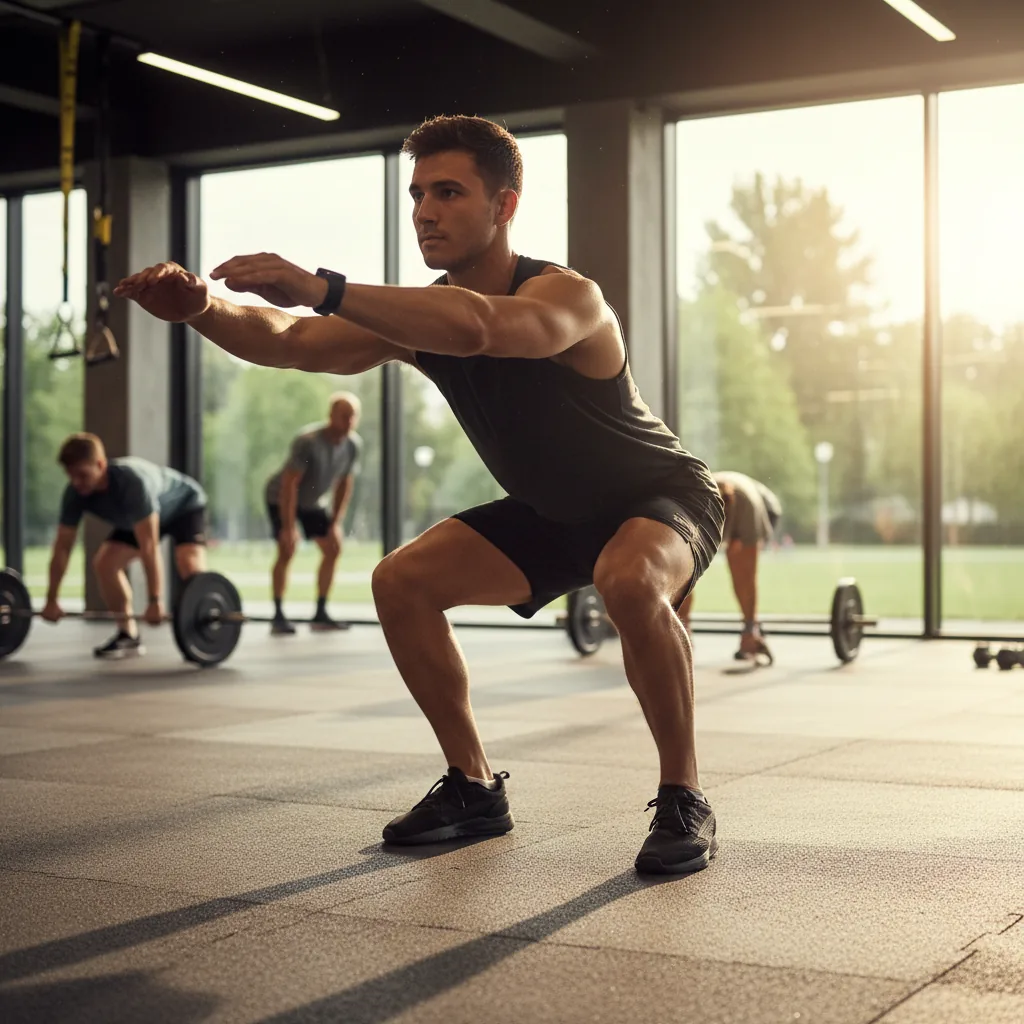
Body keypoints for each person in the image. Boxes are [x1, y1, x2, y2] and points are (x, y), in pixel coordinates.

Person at [114, 114, 725, 875]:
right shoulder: (415, 319)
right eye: (416, 195)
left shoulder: (568, 296)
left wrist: (323, 287)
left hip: (662, 494)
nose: (425, 212)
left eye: (448, 193)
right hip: (557, 514)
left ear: (504, 204)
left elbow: (480, 327)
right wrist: (204, 309)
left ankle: (683, 796)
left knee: (628, 579)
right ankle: (473, 787)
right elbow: (289, 341)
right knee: (401, 582)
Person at [44, 433, 208, 658]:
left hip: (183, 506)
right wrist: (51, 599)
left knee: (189, 565)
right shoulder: (75, 494)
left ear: (100, 464)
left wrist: (155, 600)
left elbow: (149, 547)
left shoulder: (131, 483)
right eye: (71, 475)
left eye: (82, 475)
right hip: (137, 520)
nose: (76, 482)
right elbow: (62, 548)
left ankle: (203, 627)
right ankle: (128, 634)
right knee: (105, 564)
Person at [265, 393, 363, 634]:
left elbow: (344, 483)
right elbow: (290, 485)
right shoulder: (307, 441)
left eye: (353, 416)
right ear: (331, 415)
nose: (349, 421)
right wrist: (289, 528)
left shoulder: (352, 445)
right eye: (344, 416)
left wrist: (335, 522)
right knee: (287, 548)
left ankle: (320, 612)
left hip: (312, 502)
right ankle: (278, 615)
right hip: (280, 497)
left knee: (333, 547)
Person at [678, 470, 782, 660]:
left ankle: (751, 631)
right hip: (721, 499)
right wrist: (682, 629)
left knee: (740, 571)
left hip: (764, 505)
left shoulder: (745, 506)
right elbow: (683, 575)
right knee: (685, 571)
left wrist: (749, 628)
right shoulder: (690, 505)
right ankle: (684, 629)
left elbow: (747, 578)